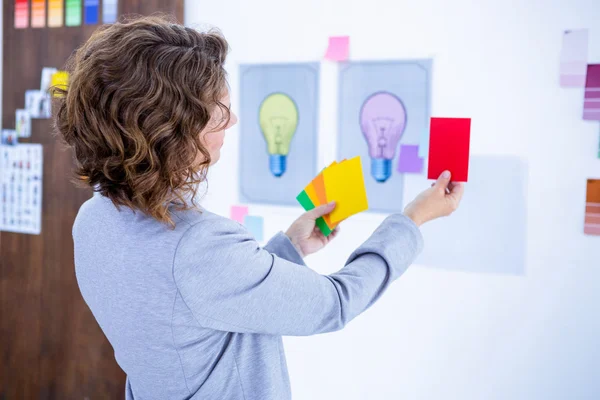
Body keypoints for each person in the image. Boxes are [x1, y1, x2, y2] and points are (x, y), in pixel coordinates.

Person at [54, 15, 464, 400]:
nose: (231, 123)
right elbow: (336, 302)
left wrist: (289, 247)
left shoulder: (93, 220)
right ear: (171, 132)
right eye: (218, 111)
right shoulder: (197, 244)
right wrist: (412, 221)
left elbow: (195, 303)